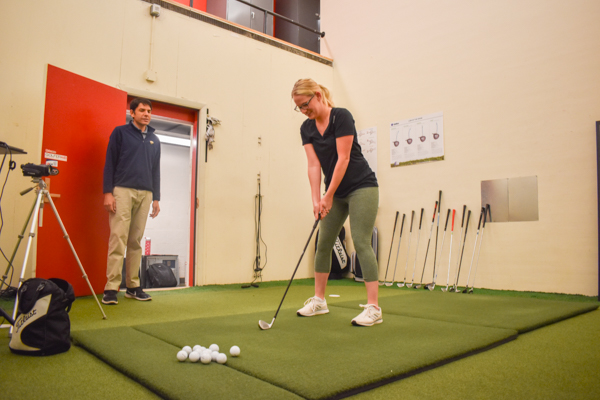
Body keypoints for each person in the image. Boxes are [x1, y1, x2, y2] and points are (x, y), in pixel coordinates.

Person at [291, 79, 382, 326]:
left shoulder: (341, 117)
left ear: (318, 95)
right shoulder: (306, 129)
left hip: (361, 186)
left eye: (305, 104)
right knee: (324, 242)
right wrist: (316, 199)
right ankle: (319, 301)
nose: (303, 110)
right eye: (299, 107)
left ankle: (373, 308)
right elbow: (313, 165)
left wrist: (327, 196)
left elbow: (342, 159)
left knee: (361, 241)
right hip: (334, 191)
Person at [101, 98, 161, 305]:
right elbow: (110, 162)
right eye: (142, 110)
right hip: (122, 190)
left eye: (149, 111)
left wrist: (156, 198)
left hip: (145, 194)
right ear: (132, 113)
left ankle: (133, 287)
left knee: (136, 240)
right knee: (118, 237)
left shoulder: (155, 140)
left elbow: (156, 171)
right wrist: (108, 192)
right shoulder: (120, 133)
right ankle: (111, 288)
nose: (146, 114)